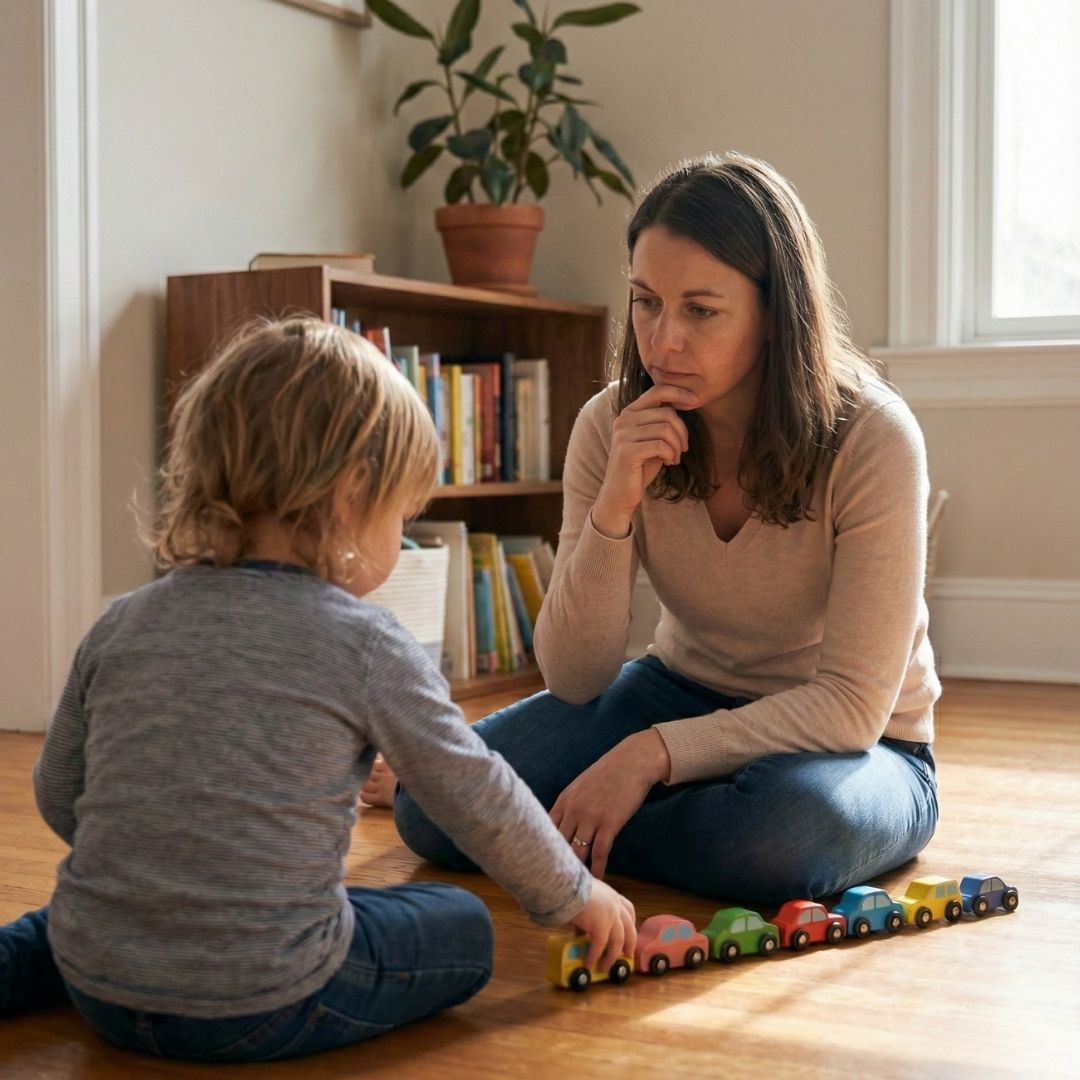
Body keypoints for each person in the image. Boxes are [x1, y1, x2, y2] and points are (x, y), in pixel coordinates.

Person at [0, 318, 635, 1061]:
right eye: (402, 515)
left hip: (99, 981)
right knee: (460, 922)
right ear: (351, 493)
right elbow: (475, 793)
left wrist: (165, 869)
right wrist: (574, 893)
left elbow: (58, 793)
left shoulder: (123, 622)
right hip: (263, 1003)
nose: (402, 537)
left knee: (70, 915)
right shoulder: (365, 642)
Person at [393, 152, 941, 903]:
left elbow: (850, 706)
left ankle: (564, 831)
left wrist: (651, 756)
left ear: (775, 315)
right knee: (429, 806)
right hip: (680, 689)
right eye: (646, 302)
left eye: (701, 311)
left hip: (863, 746)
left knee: (779, 836)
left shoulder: (874, 437)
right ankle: (636, 823)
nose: (663, 341)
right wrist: (614, 505)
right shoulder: (609, 425)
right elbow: (573, 678)